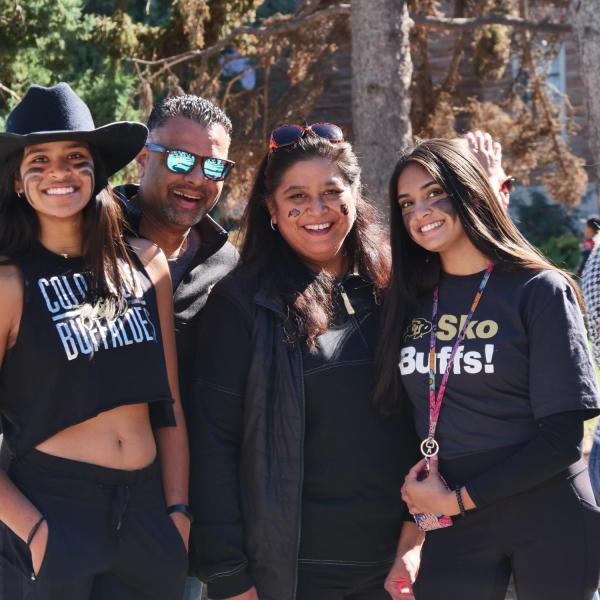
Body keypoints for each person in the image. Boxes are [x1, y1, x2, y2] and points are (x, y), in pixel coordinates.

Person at [189, 124, 423, 600]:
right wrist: (229, 576)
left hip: (396, 567)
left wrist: (416, 540)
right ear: (272, 210)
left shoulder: (396, 289)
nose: (317, 210)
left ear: (355, 196)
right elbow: (212, 445)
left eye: (331, 192)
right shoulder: (242, 304)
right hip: (291, 570)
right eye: (296, 195)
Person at [375, 138, 600, 599]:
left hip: (547, 513)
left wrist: (455, 501)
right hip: (452, 521)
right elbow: (409, 429)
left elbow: (563, 440)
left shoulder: (539, 289)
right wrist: (412, 538)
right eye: (407, 203)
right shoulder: (408, 300)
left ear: (471, 191)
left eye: (436, 193)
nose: (421, 211)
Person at [0, 83, 189, 599]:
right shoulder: (8, 284)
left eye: (75, 157)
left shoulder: (148, 264)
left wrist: (177, 511)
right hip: (53, 510)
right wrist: (37, 533)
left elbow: (169, 404)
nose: (59, 172)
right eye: (39, 160)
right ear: (17, 181)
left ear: (96, 171)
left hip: (148, 514)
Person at [116, 95, 239, 599]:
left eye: (214, 165)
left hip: (182, 514)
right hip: (74, 501)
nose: (197, 178)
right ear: (143, 159)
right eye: (180, 159)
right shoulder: (85, 237)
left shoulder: (228, 265)